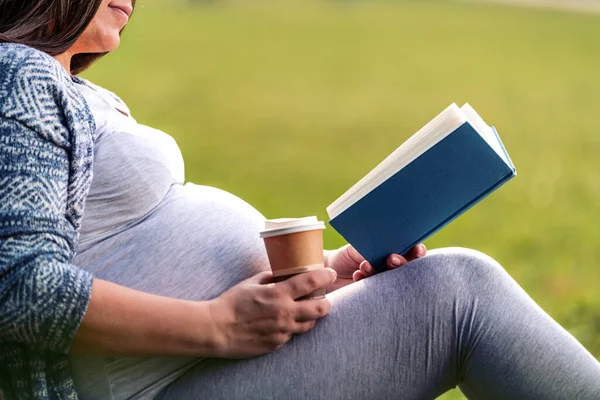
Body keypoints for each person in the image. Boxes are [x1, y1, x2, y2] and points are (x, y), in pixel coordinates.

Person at [0, 1, 599, 399]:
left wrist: (315, 280)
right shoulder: (18, 75)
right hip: (161, 382)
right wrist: (218, 325)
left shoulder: (73, 88)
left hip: (199, 369)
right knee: (460, 294)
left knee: (452, 288)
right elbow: (16, 284)